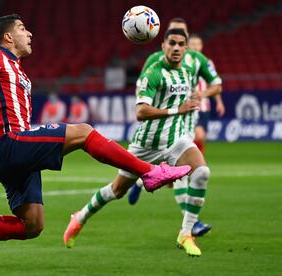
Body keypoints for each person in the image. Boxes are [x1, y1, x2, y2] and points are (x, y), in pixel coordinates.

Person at [0, 14, 191, 269]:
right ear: (9, 37)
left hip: (10, 155)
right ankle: (150, 172)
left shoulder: (18, 70)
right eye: (23, 29)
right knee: (83, 132)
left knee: (31, 225)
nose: (30, 34)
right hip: (9, 142)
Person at [64, 29, 209, 257]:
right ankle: (80, 217)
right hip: (147, 145)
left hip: (176, 139)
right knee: (117, 190)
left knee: (201, 173)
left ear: (186, 48)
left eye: (181, 44)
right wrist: (176, 110)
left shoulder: (189, 72)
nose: (177, 48)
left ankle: (186, 233)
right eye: (172, 43)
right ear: (163, 46)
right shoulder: (152, 73)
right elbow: (141, 112)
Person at [127, 18, 222, 238]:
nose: (177, 43)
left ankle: (142, 180)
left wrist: (204, 94)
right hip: (167, 124)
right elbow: (144, 88)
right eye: (172, 37)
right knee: (182, 175)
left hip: (188, 119)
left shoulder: (197, 60)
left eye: (182, 38)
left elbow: (217, 84)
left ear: (187, 39)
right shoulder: (155, 60)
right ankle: (192, 224)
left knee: (183, 174)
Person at [188, 33, 225, 154]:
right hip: (187, 106)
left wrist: (219, 102)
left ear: (202, 46)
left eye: (198, 44)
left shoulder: (207, 63)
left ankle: (197, 163)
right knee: (193, 136)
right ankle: (193, 163)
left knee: (201, 136)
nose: (195, 47)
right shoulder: (183, 62)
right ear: (188, 45)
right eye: (193, 44)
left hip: (204, 106)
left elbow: (213, 85)